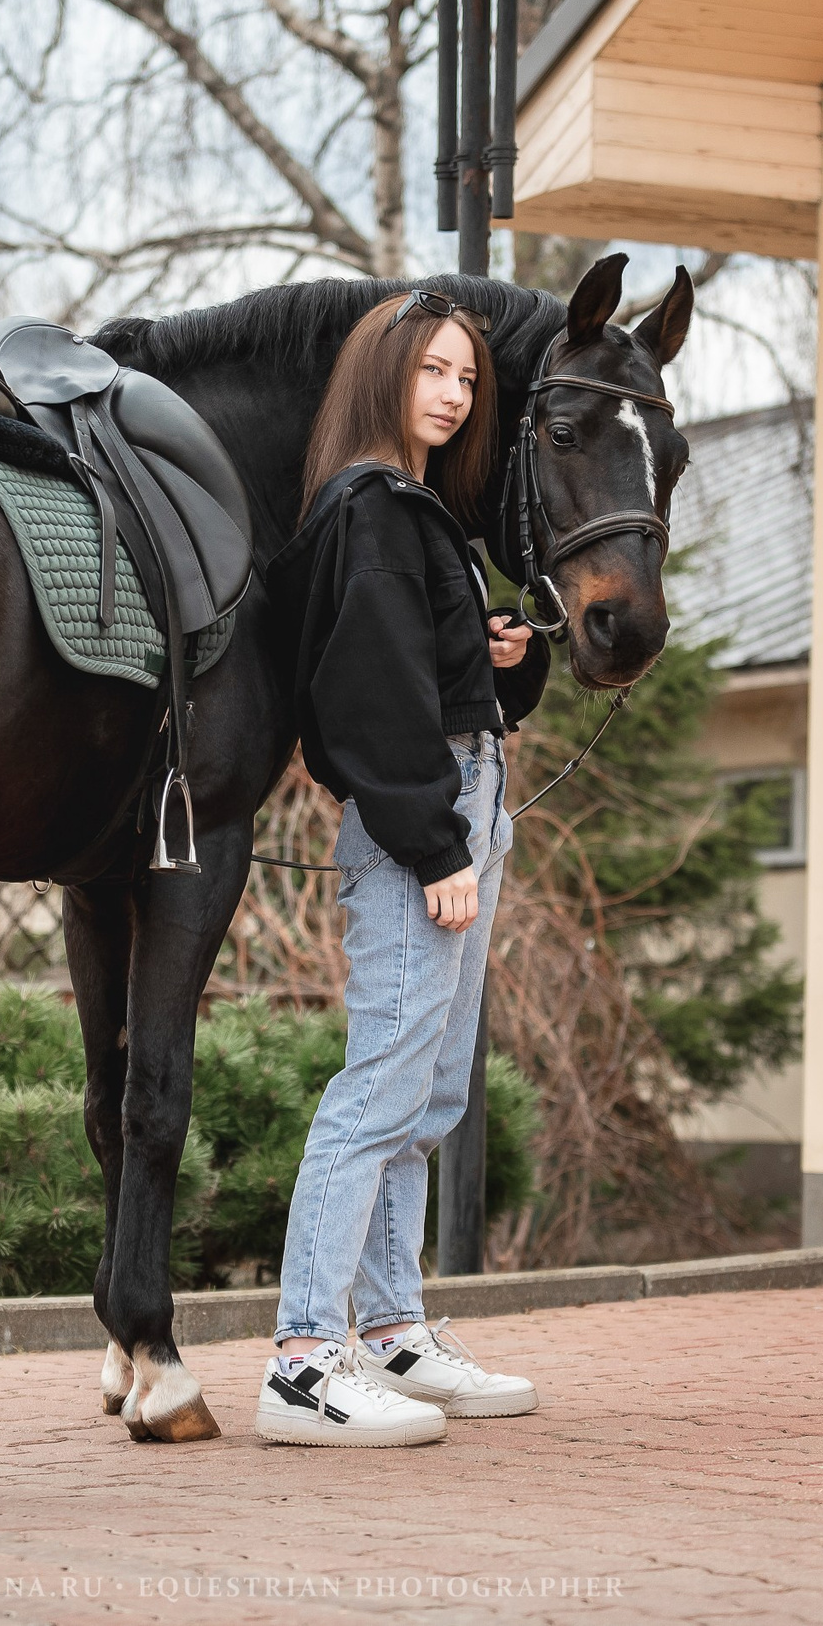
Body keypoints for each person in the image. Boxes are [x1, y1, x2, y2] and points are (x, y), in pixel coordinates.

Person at [254, 289, 552, 1448]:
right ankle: (300, 1359)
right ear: (382, 375)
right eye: (432, 370)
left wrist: (494, 655)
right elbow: (367, 697)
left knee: (425, 1096)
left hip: (460, 796)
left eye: (467, 378)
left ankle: (390, 1331)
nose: (451, 393)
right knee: (379, 1086)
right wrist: (436, 844)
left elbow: (430, 678)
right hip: (421, 816)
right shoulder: (370, 508)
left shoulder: (411, 512)